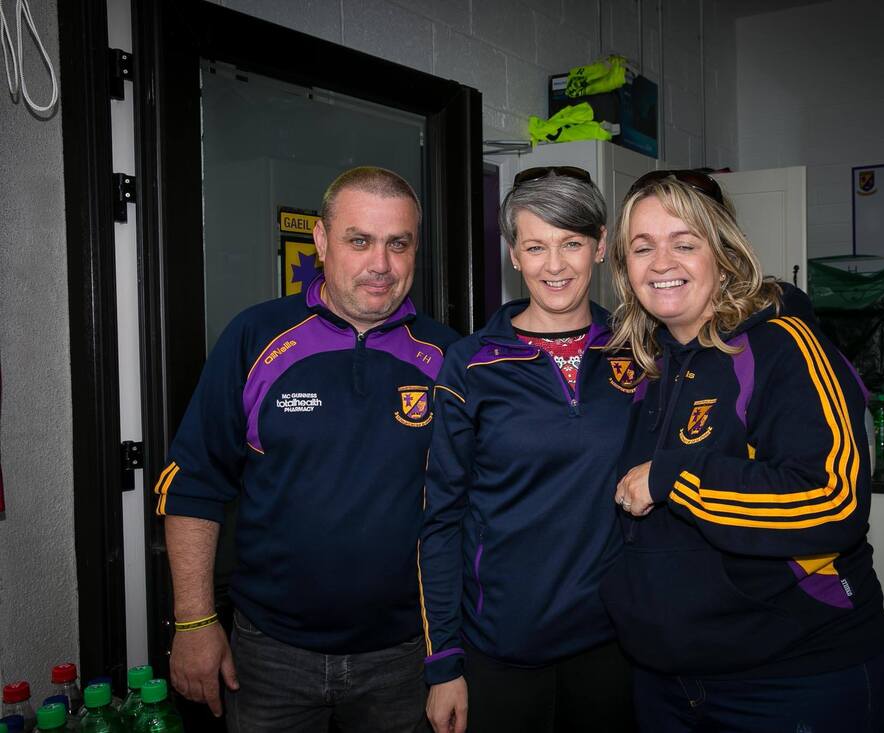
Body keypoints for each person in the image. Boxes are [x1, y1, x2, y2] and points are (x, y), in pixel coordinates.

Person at [155, 167, 459, 731]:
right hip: (270, 656)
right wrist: (194, 622)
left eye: (398, 244)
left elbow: (476, 504)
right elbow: (195, 484)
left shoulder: (448, 356)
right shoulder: (256, 337)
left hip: (403, 656)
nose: (381, 264)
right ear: (321, 241)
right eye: (359, 240)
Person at [602, 170, 884, 732]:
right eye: (642, 248)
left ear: (724, 255)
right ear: (624, 268)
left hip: (793, 679)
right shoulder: (647, 367)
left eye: (684, 243)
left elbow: (831, 501)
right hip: (666, 680)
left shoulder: (784, 346)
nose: (661, 263)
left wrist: (673, 479)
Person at [420, 167, 636, 733]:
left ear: (600, 246)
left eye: (572, 243)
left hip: (615, 645)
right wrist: (444, 662)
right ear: (514, 255)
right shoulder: (471, 364)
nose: (554, 265)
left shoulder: (638, 352)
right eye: (536, 247)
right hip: (501, 649)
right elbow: (440, 519)